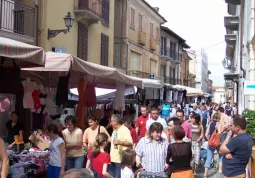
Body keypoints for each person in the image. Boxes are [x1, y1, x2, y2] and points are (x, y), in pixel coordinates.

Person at [203, 113, 221, 178]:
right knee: (221, 155)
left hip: (210, 142)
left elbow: (206, 134)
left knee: (209, 158)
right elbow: (219, 133)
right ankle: (219, 170)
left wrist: (209, 140)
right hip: (217, 143)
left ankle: (205, 174)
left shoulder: (210, 124)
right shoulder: (219, 124)